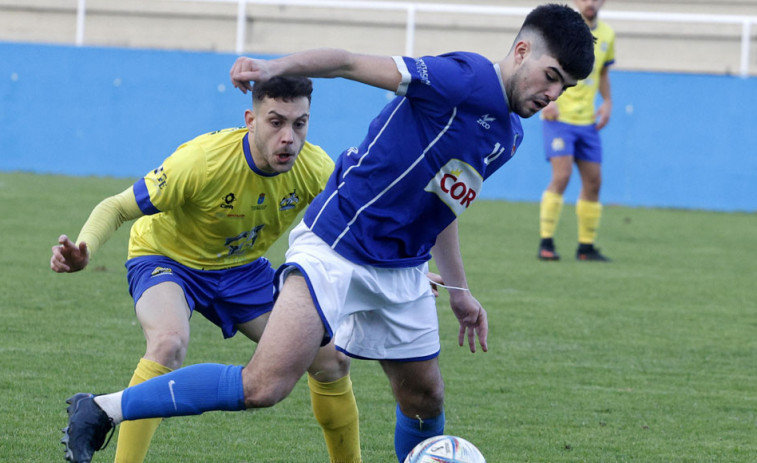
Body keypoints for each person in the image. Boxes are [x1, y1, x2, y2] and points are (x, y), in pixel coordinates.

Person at [59, 4, 595, 463]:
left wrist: (459, 291)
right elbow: (346, 62)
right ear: (522, 52)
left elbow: (442, 207)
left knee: (424, 398)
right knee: (264, 387)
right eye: (551, 76)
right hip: (336, 248)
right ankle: (103, 407)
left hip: (400, 269)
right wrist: (272, 67)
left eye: (565, 87)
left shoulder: (509, 135)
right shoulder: (464, 78)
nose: (554, 92)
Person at [52, 76, 362, 463]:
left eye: (299, 124)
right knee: (168, 343)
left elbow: (356, 226)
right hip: (167, 260)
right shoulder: (202, 161)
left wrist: (409, 273)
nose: (288, 137)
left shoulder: (315, 167)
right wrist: (84, 248)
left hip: (243, 270)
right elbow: (116, 207)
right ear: (250, 119)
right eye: (275, 121)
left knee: (330, 360)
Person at [537, 0, 615, 262]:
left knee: (594, 182)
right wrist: (547, 100)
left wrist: (607, 102)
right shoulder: (562, 29)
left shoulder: (607, 34)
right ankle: (546, 242)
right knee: (562, 175)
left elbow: (603, 73)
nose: (590, 2)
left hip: (588, 121)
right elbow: (542, 63)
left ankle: (585, 247)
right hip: (558, 118)